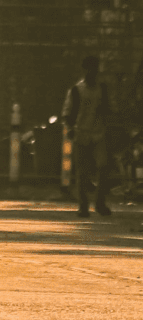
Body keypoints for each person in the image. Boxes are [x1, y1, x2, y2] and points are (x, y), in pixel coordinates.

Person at [62, 55, 113, 217]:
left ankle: (97, 203)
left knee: (102, 168)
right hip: (82, 133)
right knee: (83, 172)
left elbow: (108, 110)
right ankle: (85, 205)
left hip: (97, 134)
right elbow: (68, 113)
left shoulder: (100, 89)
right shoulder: (77, 90)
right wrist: (71, 128)